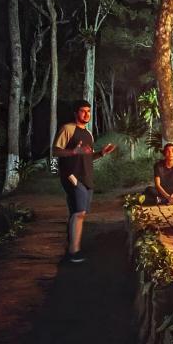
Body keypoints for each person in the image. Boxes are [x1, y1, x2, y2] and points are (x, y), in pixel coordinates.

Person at [53, 100, 116, 263]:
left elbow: (88, 156)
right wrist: (74, 151)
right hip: (72, 176)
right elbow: (55, 151)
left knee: (78, 212)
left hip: (87, 177)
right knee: (79, 213)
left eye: (89, 111)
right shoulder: (68, 129)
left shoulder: (88, 134)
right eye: (83, 111)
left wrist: (101, 153)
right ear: (76, 113)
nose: (87, 114)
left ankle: (70, 248)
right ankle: (74, 251)